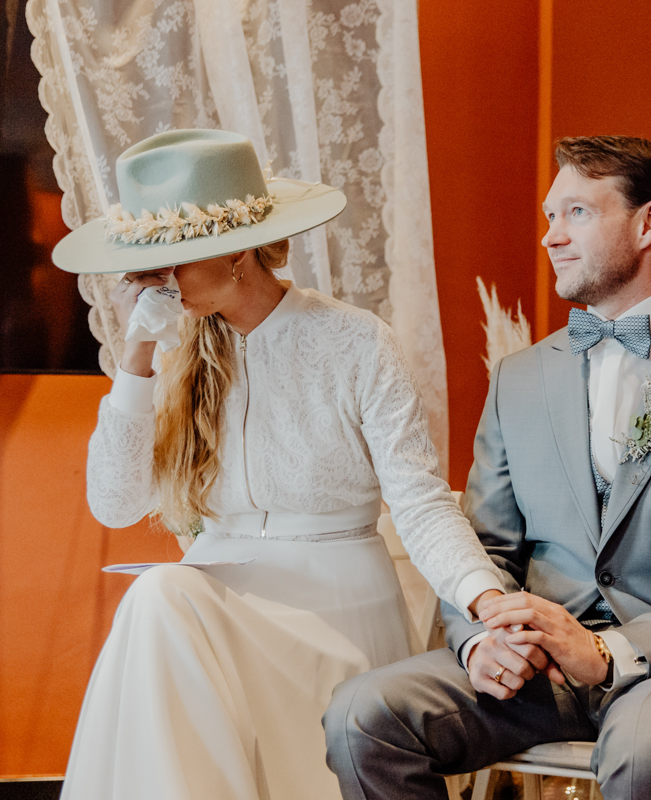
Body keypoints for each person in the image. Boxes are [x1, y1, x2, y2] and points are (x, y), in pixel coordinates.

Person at [324, 135, 651, 800]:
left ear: (650, 223)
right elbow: (485, 549)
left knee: (647, 746)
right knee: (364, 715)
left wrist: (615, 653)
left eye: (576, 214)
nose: (550, 237)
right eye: (550, 217)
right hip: (542, 675)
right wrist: (481, 641)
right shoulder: (519, 378)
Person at [50, 129, 506, 800]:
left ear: (235, 251)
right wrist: (136, 354)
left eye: (168, 261)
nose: (154, 283)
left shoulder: (354, 342)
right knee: (157, 600)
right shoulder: (176, 353)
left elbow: (421, 502)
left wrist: (484, 598)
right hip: (213, 603)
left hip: (334, 602)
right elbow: (115, 505)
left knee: (158, 602)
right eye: (144, 269)